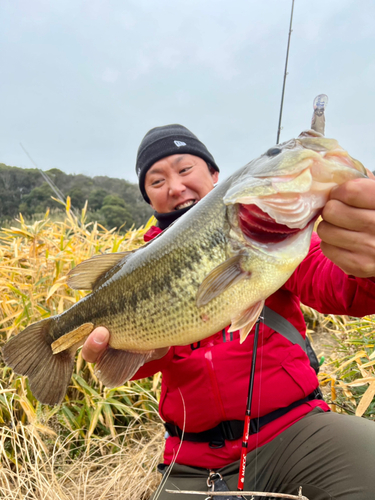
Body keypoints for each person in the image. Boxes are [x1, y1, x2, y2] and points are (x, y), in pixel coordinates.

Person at [82, 124, 375, 500]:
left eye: (185, 169)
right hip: (192, 459)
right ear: (149, 198)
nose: (175, 187)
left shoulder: (278, 236)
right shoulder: (133, 272)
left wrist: (368, 264)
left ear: (216, 176)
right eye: (156, 181)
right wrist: (131, 353)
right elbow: (143, 363)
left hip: (295, 430)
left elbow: (344, 290)